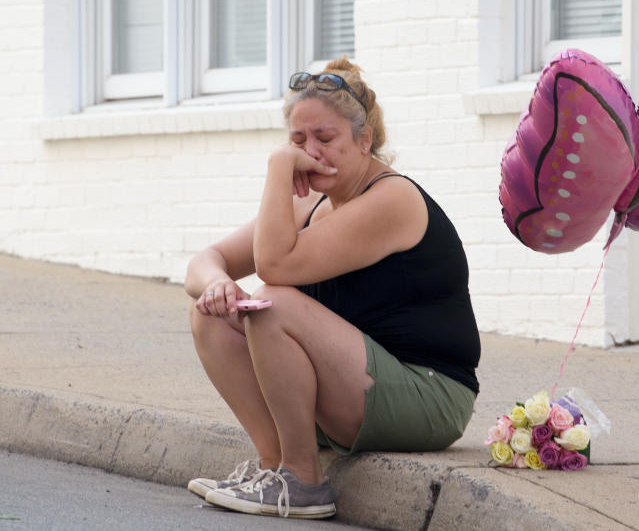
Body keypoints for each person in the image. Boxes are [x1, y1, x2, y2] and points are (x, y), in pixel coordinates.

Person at [183, 58, 481, 519]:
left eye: (325, 138)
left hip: (429, 394)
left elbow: (274, 265)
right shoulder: (314, 202)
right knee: (209, 312)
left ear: (365, 139)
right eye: (298, 141)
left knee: (272, 302)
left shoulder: (392, 199)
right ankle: (274, 470)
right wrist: (219, 284)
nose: (310, 153)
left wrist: (279, 169)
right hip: (359, 384)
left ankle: (303, 481)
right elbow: (202, 265)